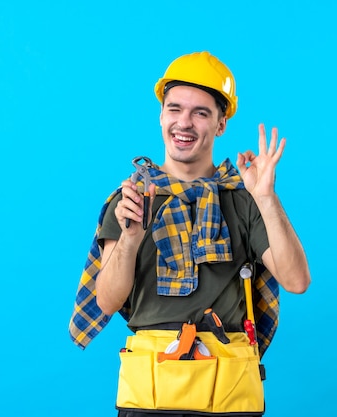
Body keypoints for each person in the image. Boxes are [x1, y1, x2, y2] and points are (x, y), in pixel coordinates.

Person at [69, 51, 310, 417]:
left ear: (221, 124)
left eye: (201, 113)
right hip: (151, 394)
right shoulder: (132, 199)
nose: (184, 123)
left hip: (228, 392)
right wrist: (131, 239)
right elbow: (106, 302)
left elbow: (296, 281)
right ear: (161, 115)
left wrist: (265, 198)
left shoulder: (244, 200)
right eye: (175, 109)